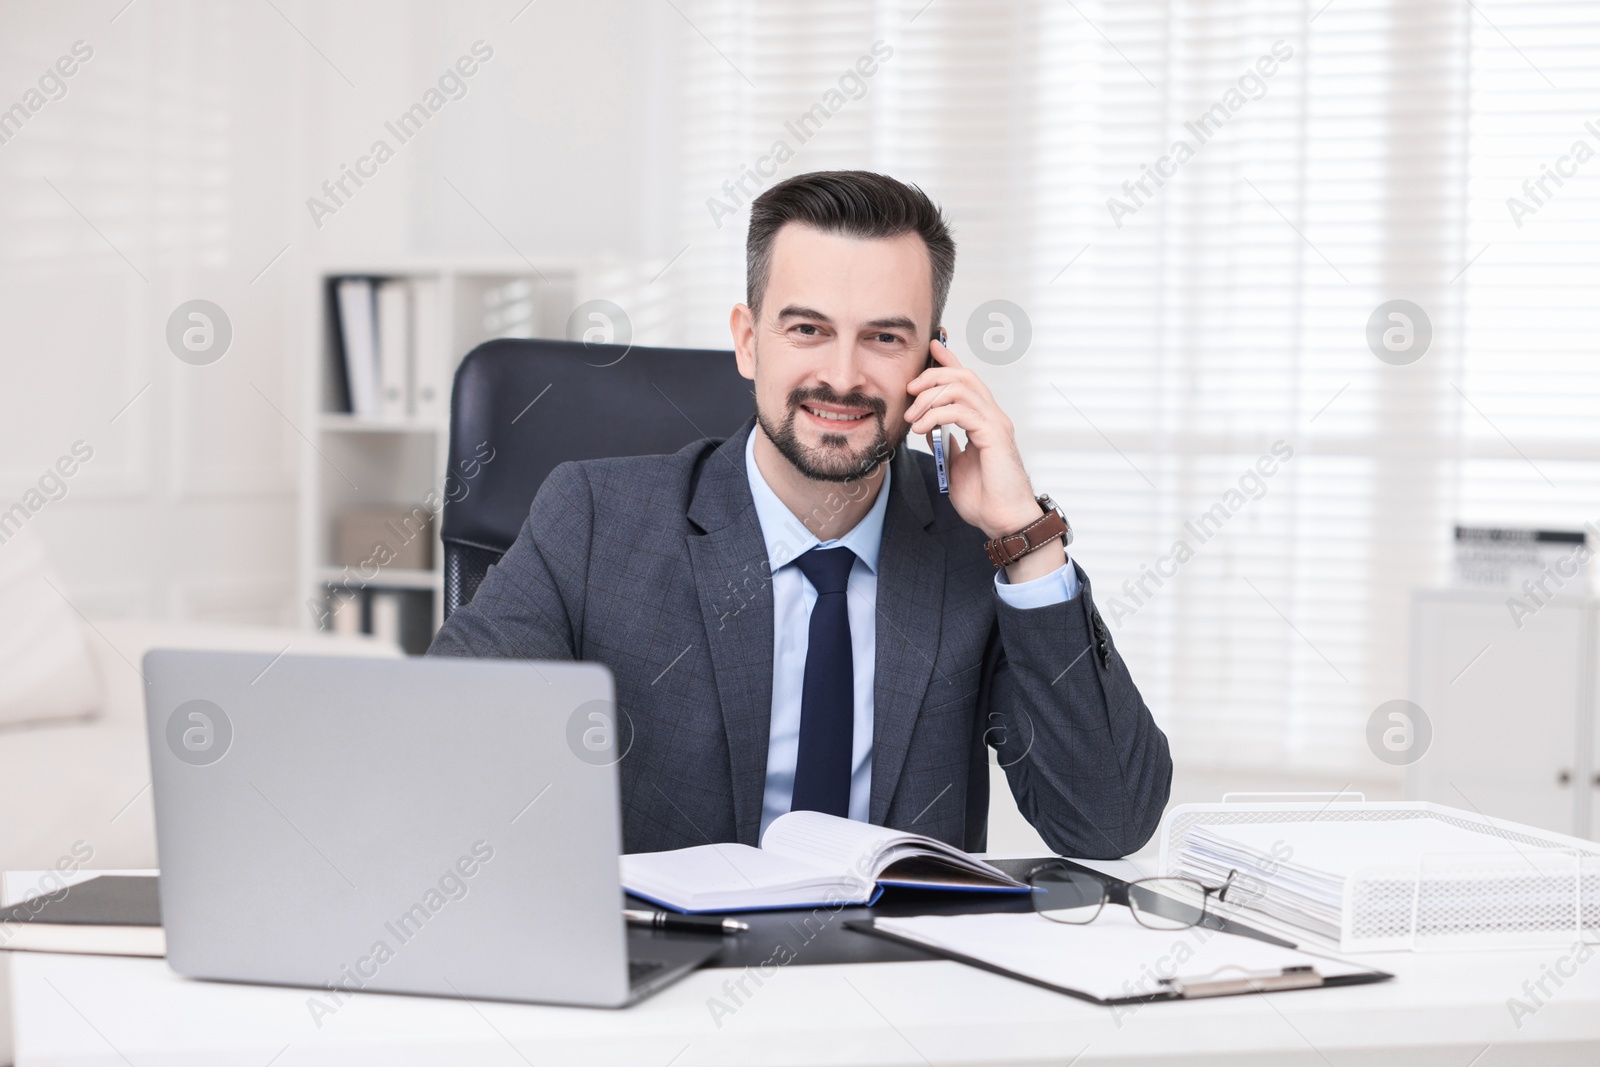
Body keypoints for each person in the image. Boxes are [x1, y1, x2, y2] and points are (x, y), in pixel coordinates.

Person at [429, 170, 1171, 858]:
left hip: (905, 980)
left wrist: (1027, 540)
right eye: (807, 329)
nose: (842, 377)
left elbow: (1105, 822)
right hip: (672, 980)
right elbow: (447, 754)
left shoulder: (973, 542)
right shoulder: (593, 520)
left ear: (933, 362)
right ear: (749, 342)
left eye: (885, 337)